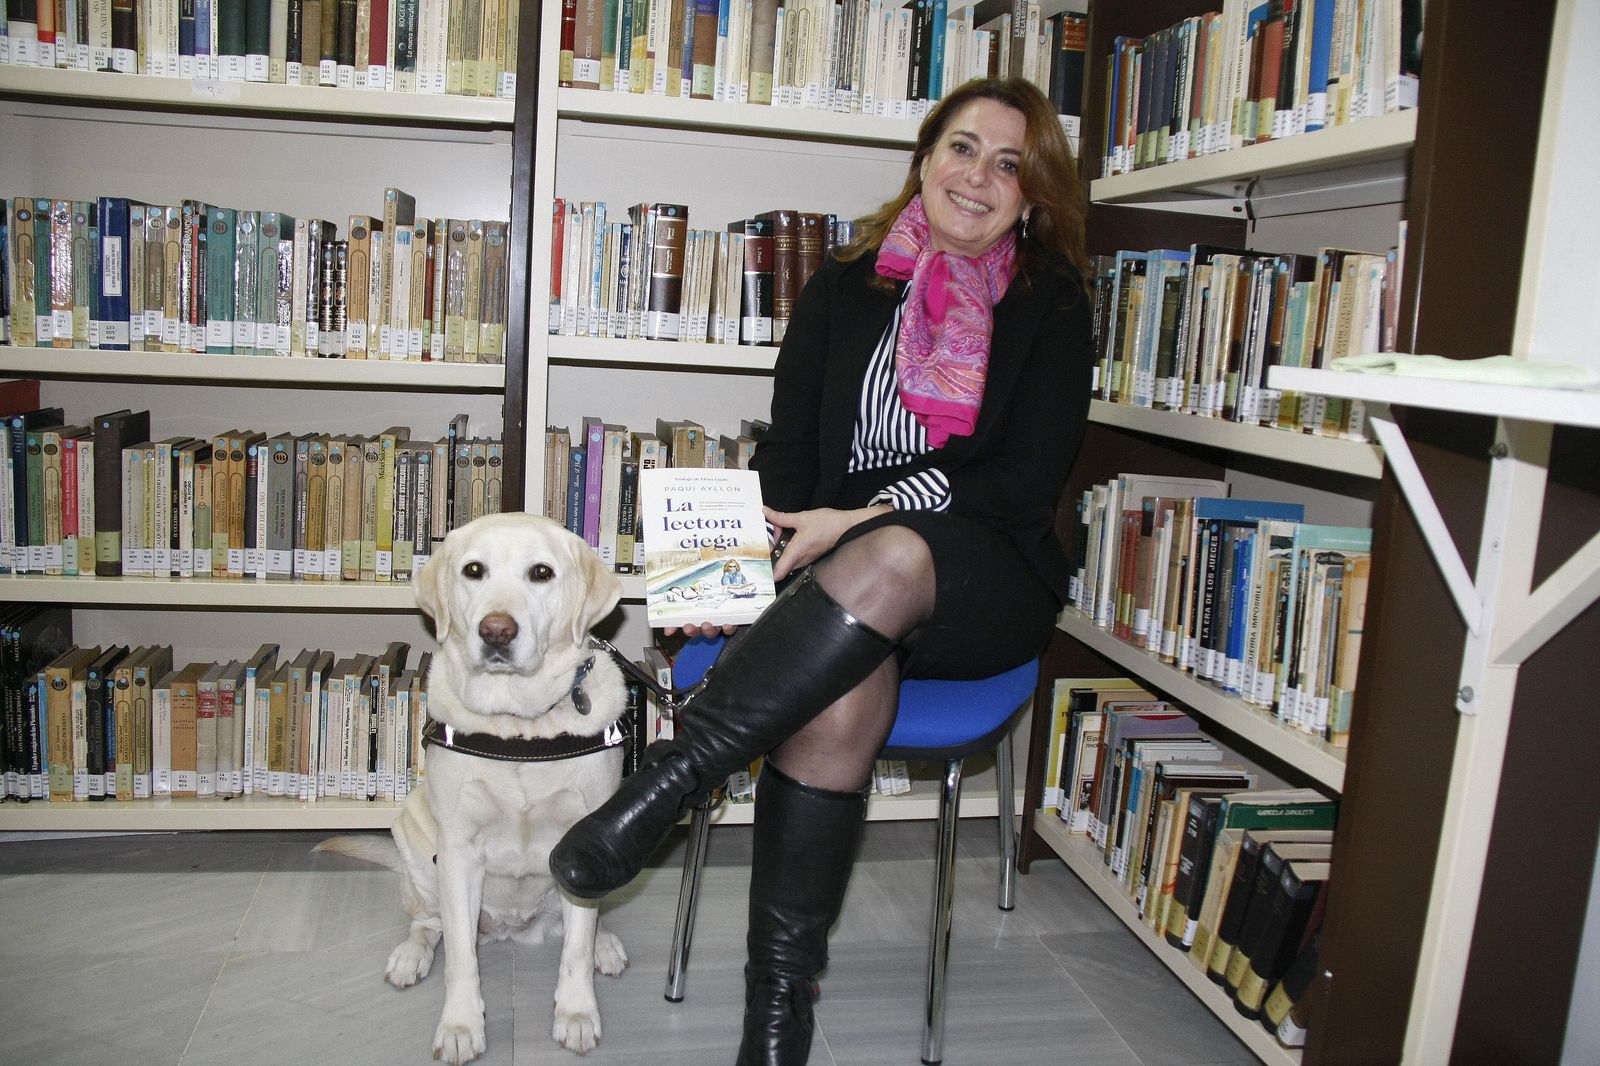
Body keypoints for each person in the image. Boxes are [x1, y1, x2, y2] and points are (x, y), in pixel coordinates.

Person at [551, 77, 1094, 1065]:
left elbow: (1017, 487)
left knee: (889, 553)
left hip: (984, 572)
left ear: (1032, 195)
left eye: (1008, 164)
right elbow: (788, 463)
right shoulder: (845, 286)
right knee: (839, 686)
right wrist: (737, 554)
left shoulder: (1051, 302)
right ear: (925, 155)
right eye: (962, 147)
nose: (977, 176)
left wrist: (871, 514)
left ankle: (672, 776)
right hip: (842, 581)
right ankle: (778, 1014)